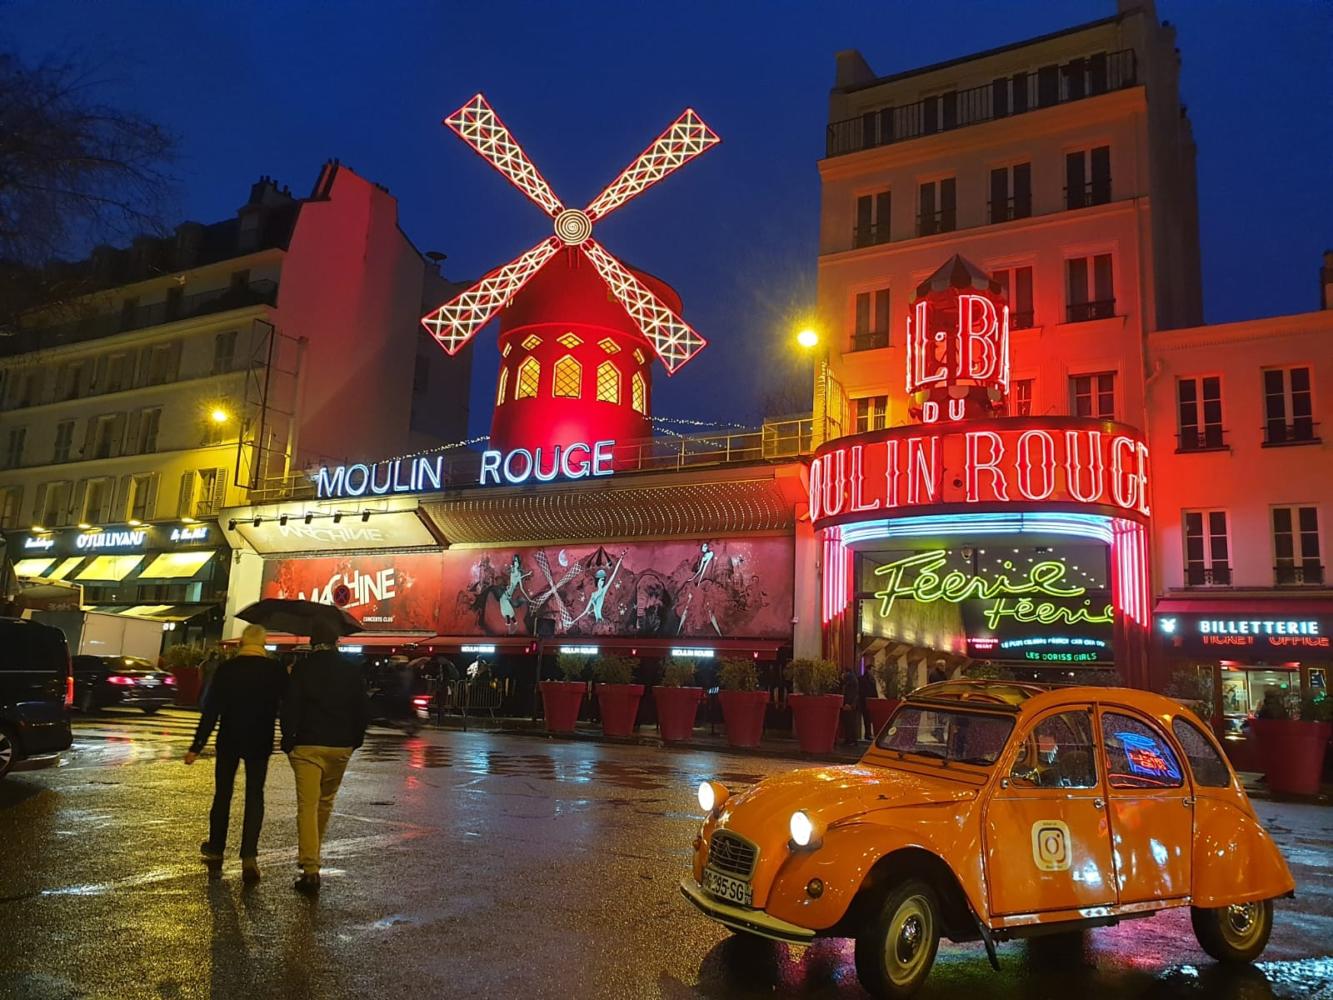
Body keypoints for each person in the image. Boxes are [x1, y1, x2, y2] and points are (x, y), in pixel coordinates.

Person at [185, 624, 287, 883]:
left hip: (229, 738)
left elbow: (211, 711)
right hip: (260, 739)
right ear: (263, 644)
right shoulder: (275, 671)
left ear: (242, 642)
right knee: (255, 795)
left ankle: (217, 847)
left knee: (223, 794)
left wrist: (196, 746)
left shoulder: (226, 669)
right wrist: (289, 738)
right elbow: (285, 706)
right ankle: (249, 856)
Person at [281, 623, 370, 895]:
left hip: (308, 745)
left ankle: (310, 867)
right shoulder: (351, 670)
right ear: (336, 642)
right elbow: (361, 709)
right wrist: (355, 739)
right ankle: (312, 856)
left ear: (312, 642)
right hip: (340, 745)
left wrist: (289, 739)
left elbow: (290, 705)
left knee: (307, 806)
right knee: (324, 803)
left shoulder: (303, 669)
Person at [841, 666, 861, 745]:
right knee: (849, 723)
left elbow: (852, 694)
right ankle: (850, 739)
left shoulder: (851, 681)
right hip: (850, 704)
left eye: (844, 672)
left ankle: (851, 739)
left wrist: (849, 704)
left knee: (850, 723)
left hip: (850, 705)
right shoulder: (851, 680)